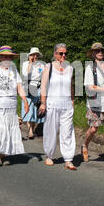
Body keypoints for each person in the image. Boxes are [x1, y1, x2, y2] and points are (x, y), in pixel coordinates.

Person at [0, 46, 29, 166]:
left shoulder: (14, 71)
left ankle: (4, 154)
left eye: (9, 56)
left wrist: (24, 101)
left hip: (11, 105)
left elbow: (19, 86)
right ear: (0, 57)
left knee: (8, 130)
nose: (7, 58)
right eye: (4, 56)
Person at [38, 43, 77, 171]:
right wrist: (43, 103)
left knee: (67, 132)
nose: (63, 55)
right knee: (51, 131)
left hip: (66, 104)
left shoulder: (70, 68)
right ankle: (49, 155)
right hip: (52, 103)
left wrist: (72, 100)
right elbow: (43, 86)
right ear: (55, 54)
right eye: (61, 53)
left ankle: (68, 159)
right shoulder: (48, 67)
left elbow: (71, 86)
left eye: (65, 53)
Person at [21, 47, 45, 139]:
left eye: (36, 55)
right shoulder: (25, 64)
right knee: (28, 109)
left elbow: (43, 76)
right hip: (27, 87)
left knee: (34, 110)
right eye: (33, 55)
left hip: (37, 88)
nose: (35, 56)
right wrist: (30, 64)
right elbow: (25, 74)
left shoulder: (41, 65)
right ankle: (30, 130)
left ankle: (33, 129)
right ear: (29, 56)